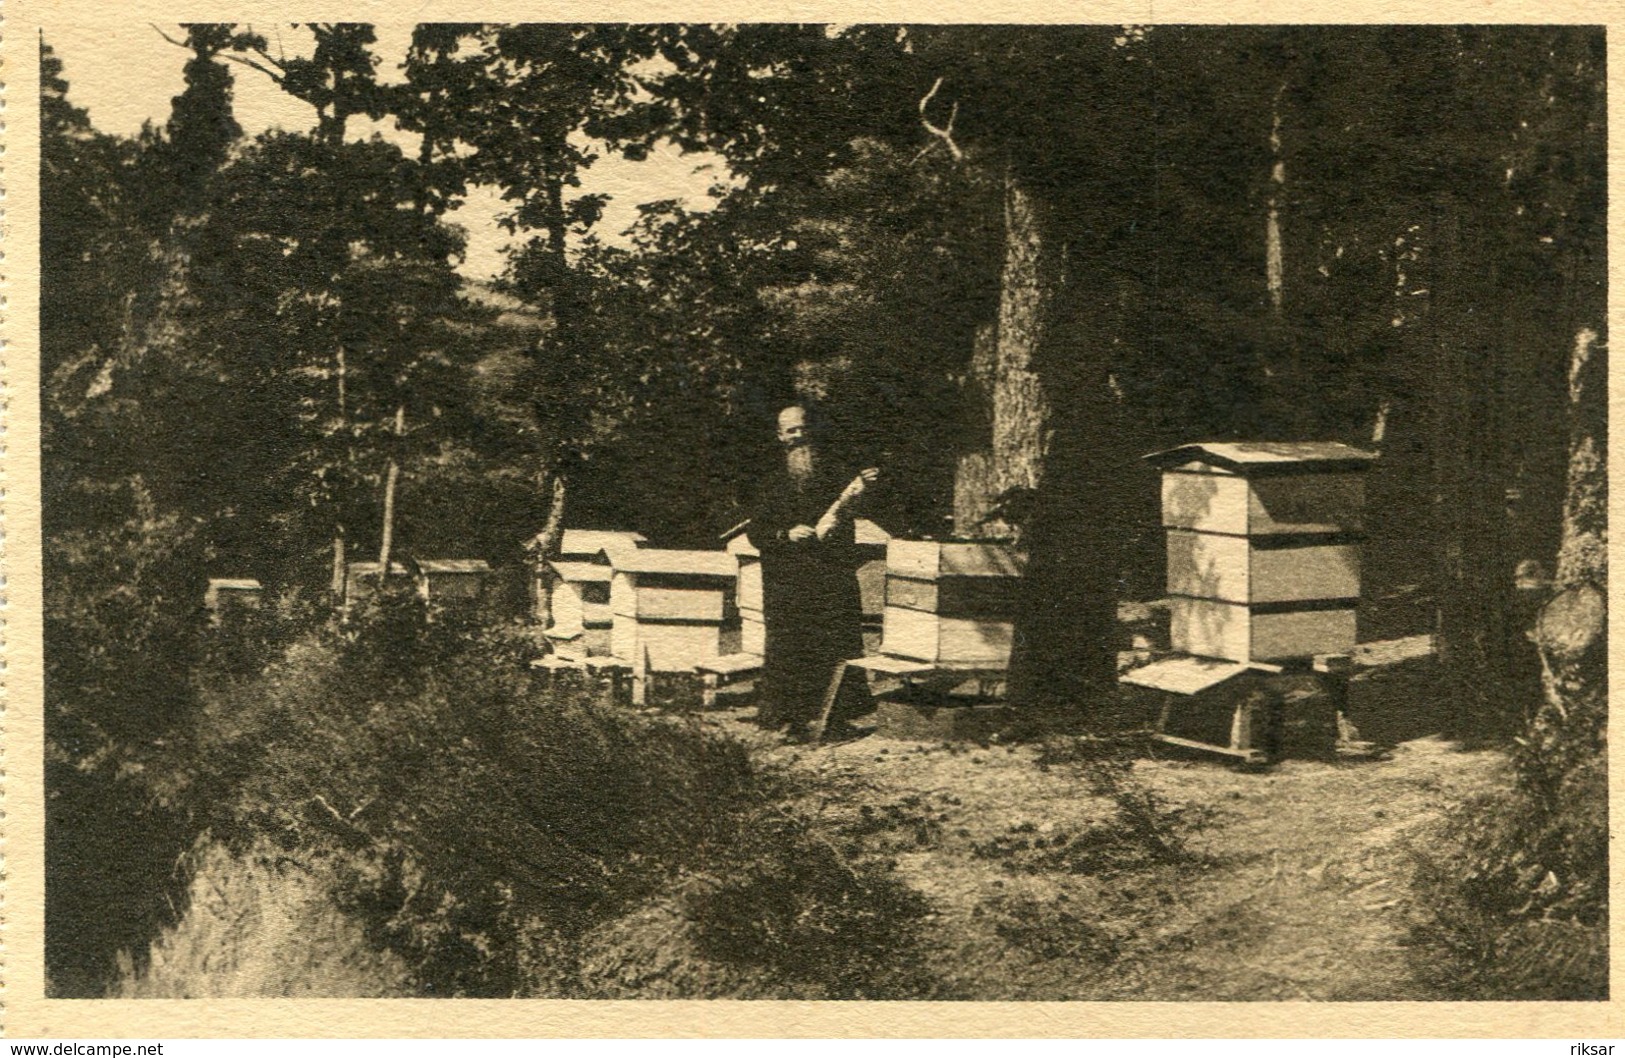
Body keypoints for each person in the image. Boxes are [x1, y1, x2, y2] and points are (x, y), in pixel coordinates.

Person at [747, 405, 879, 741]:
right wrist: (785, 534)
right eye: (790, 430)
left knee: (835, 644)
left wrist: (865, 488)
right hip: (787, 580)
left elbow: (856, 507)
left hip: (830, 575)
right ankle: (789, 721)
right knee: (790, 649)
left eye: (803, 428)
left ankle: (836, 718)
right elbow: (756, 532)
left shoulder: (835, 472)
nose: (798, 435)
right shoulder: (769, 479)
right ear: (780, 436)